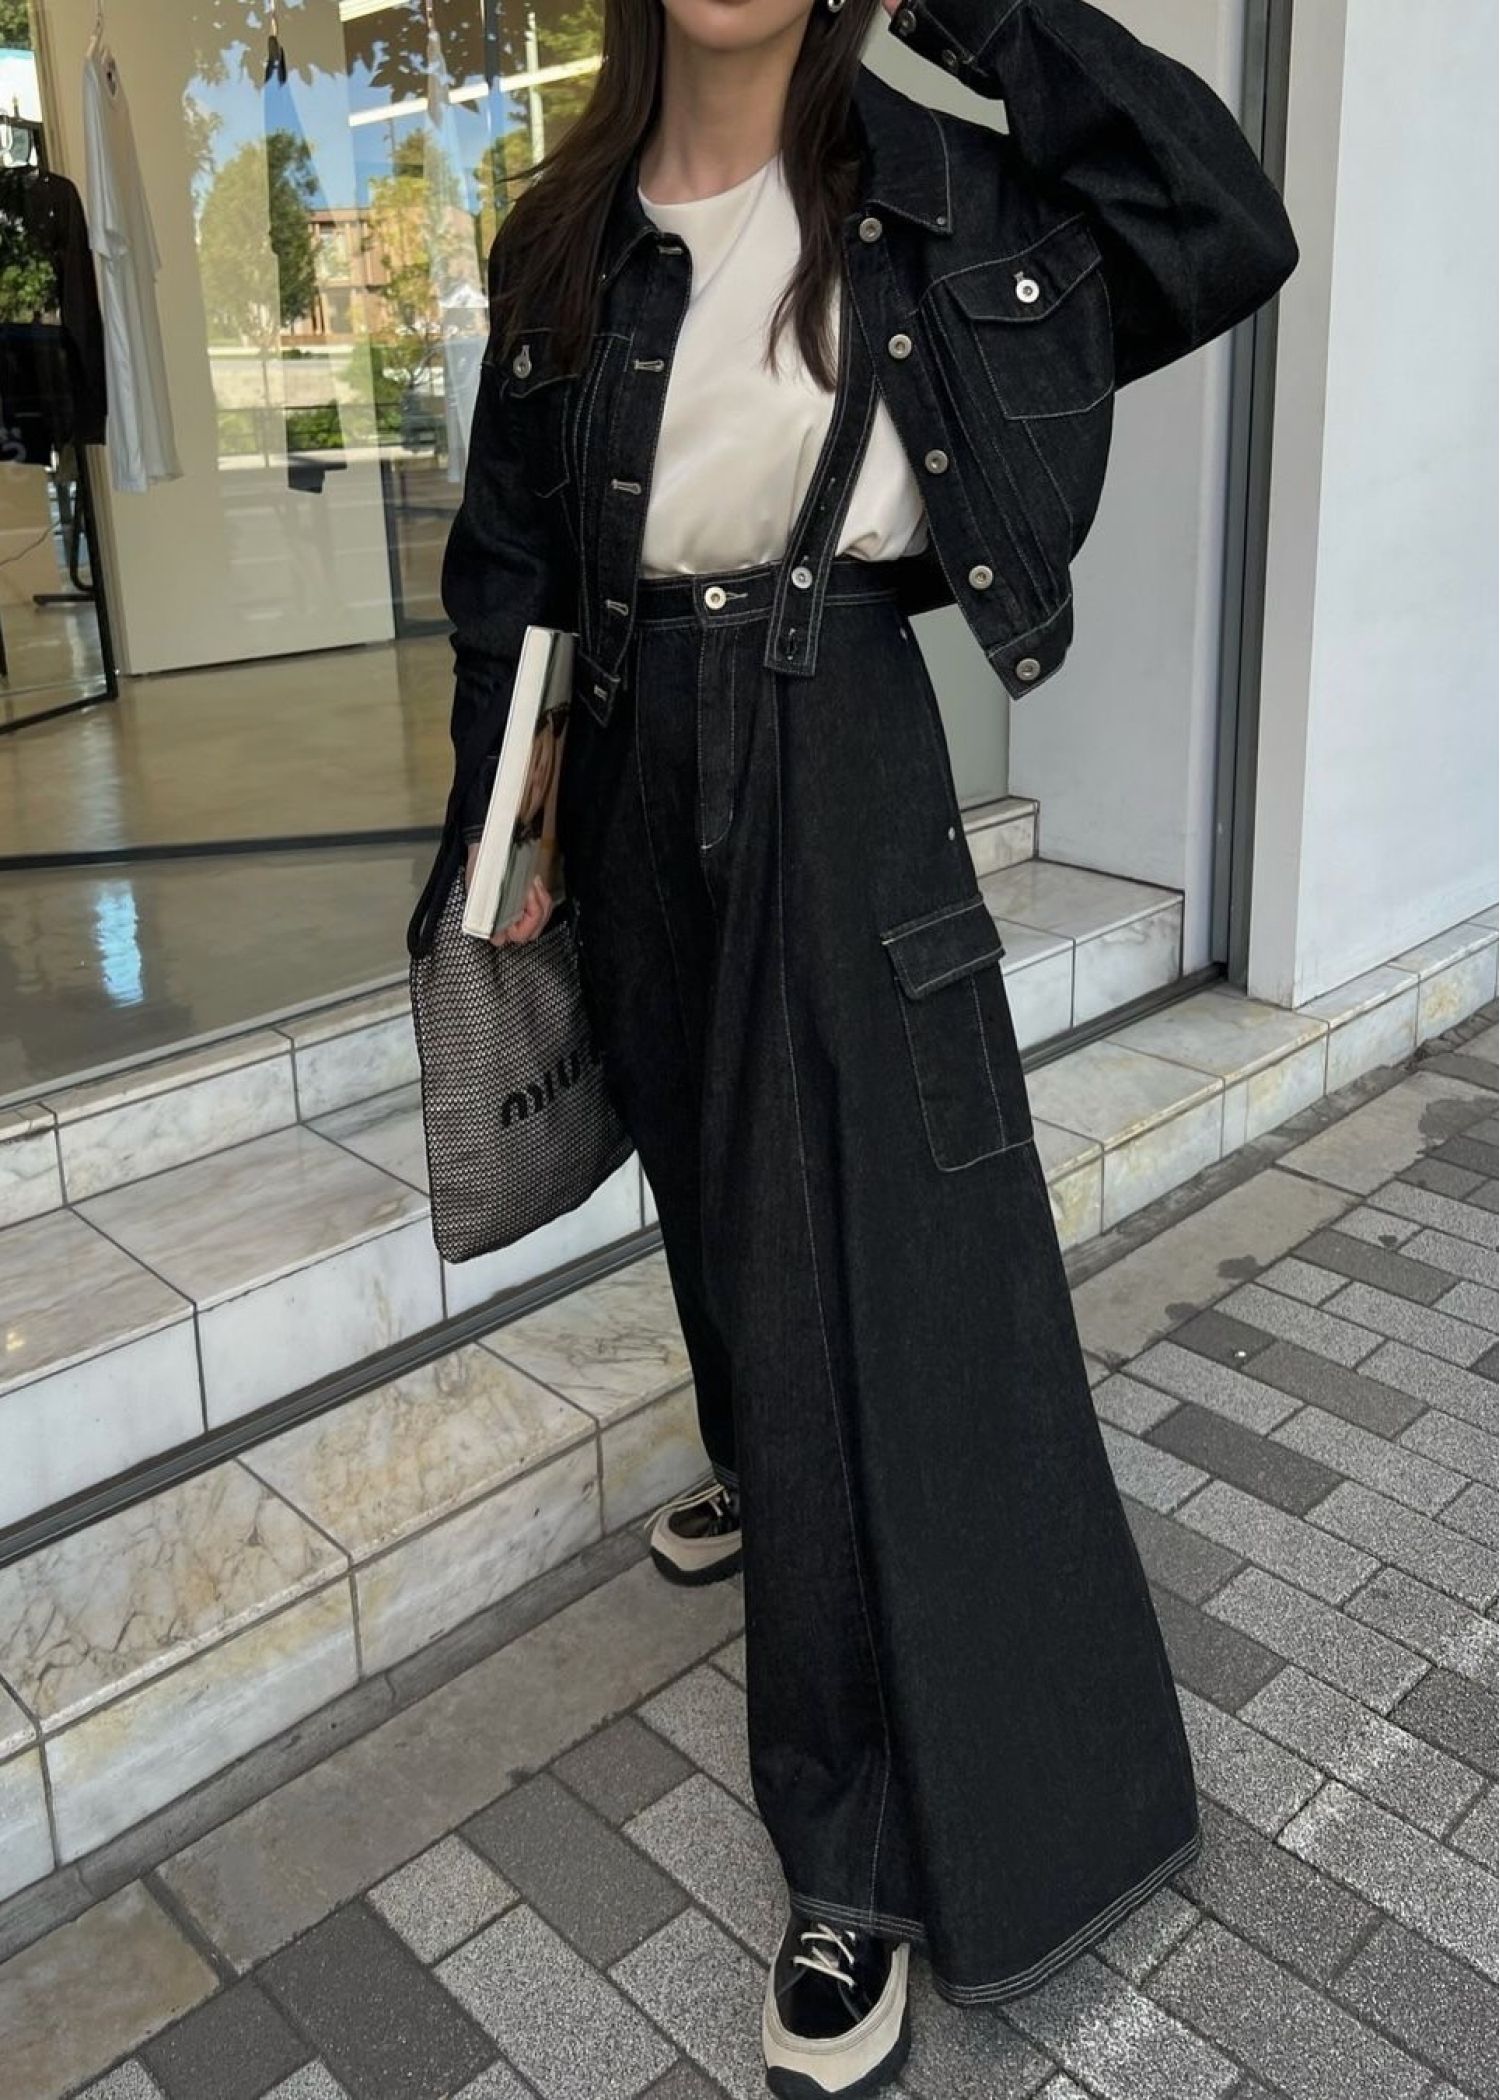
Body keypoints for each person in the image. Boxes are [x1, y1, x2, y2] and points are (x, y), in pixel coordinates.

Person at [408, 0, 1298, 2090]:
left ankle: (851, 1856)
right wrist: (500, 827)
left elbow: (1220, 220)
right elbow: (512, 575)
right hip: (632, 757)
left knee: (843, 1268)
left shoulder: (941, 193)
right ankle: (757, 1469)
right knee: (716, 1199)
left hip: (839, 745)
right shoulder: (562, 229)